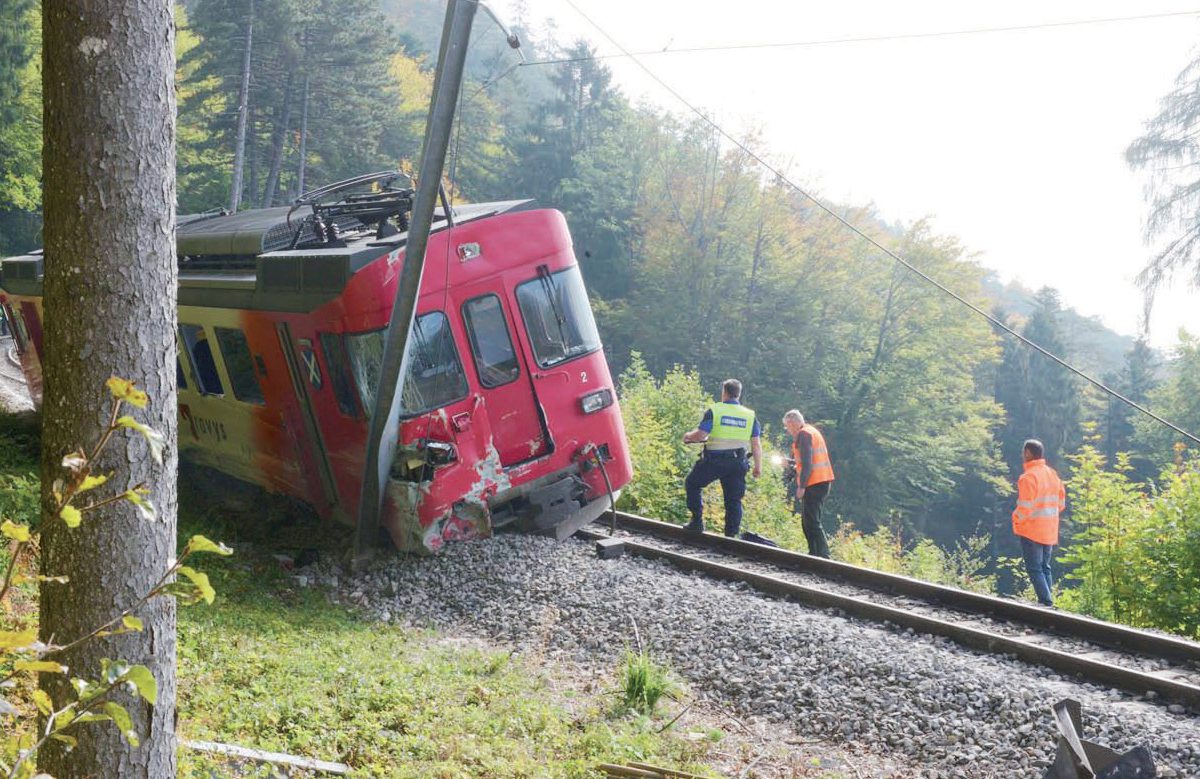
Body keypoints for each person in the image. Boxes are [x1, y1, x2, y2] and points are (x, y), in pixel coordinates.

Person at [682, 379, 762, 537]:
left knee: (692, 483)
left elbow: (701, 435)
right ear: (738, 394)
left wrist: (688, 437)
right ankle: (731, 536)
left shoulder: (715, 410)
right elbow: (756, 444)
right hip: (738, 462)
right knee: (734, 500)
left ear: (724, 392)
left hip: (714, 461)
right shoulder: (749, 415)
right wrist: (758, 467)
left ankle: (696, 521)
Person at [1012, 438, 1065, 607]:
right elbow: (1061, 504)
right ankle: (1048, 602)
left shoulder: (1028, 477)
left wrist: (1017, 521)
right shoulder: (1052, 474)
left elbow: (1025, 507)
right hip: (1049, 529)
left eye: (1023, 452)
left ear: (1028, 453)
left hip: (1032, 530)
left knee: (1035, 568)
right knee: (1045, 567)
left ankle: (1046, 602)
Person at [782, 410, 835, 558]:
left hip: (815, 483)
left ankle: (823, 555)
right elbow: (806, 462)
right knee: (808, 521)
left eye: (787, 426)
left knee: (812, 521)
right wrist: (792, 465)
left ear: (792, 423)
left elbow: (807, 465)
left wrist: (801, 487)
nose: (787, 430)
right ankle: (814, 554)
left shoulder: (803, 435)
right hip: (821, 481)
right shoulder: (811, 431)